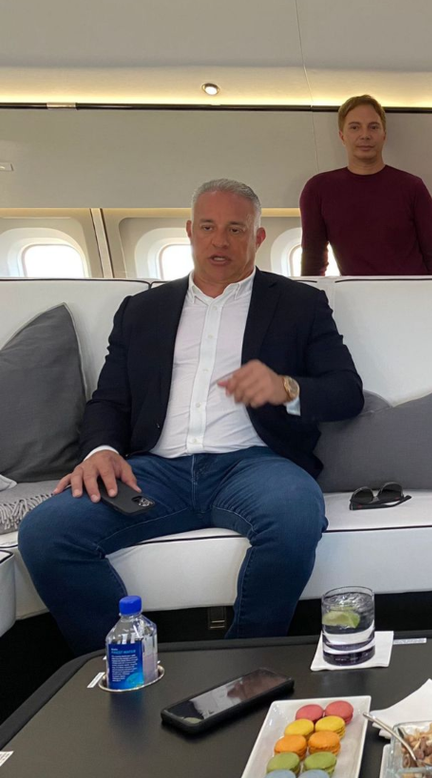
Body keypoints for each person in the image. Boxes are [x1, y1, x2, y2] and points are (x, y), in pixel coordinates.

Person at [19, 179, 364, 655]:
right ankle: (122, 665)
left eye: (235, 229)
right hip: (154, 471)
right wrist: (100, 451)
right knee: (45, 532)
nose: (219, 240)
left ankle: (240, 666)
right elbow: (110, 400)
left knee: (296, 517)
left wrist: (287, 387)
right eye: (207, 226)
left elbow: (348, 394)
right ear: (189, 231)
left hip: (255, 465)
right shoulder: (141, 311)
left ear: (258, 238)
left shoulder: (299, 304)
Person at [299, 94, 432, 276]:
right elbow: (313, 260)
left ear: (383, 135)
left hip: (412, 294)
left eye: (373, 127)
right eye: (355, 127)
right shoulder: (318, 189)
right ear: (342, 136)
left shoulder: (412, 187)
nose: (365, 135)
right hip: (356, 295)